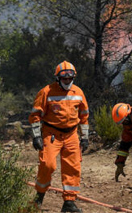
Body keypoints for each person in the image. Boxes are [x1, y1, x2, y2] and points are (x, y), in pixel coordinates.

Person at [29, 61, 90, 212]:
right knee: (48, 165)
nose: (67, 81)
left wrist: (85, 137)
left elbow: (84, 116)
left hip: (71, 135)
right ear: (58, 78)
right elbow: (35, 115)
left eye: (70, 78)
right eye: (64, 78)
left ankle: (69, 202)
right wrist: (36, 136)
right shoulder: (46, 92)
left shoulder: (78, 93)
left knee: (73, 167)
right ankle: (39, 197)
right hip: (52, 134)